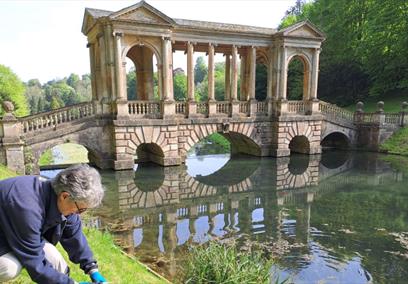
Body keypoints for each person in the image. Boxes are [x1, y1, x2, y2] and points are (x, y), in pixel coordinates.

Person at [0, 164, 107, 284]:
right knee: (10, 267)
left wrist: (92, 268)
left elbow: (73, 235)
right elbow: (36, 265)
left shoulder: (57, 193)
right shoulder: (27, 207)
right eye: (80, 210)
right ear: (64, 196)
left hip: (13, 232)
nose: (79, 214)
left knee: (55, 261)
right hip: (5, 237)